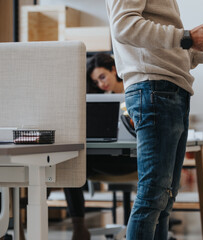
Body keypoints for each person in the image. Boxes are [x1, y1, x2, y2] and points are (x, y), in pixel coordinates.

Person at [105, 0, 203, 239]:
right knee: (153, 196)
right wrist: (186, 37)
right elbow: (123, 27)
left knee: (163, 199)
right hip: (155, 89)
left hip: (167, 89)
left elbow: (161, 49)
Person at [63, 53, 137, 240]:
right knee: (70, 164)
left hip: (136, 159)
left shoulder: (135, 91)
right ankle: (79, 227)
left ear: (113, 69)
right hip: (107, 160)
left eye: (102, 77)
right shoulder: (103, 103)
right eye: (96, 81)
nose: (101, 84)